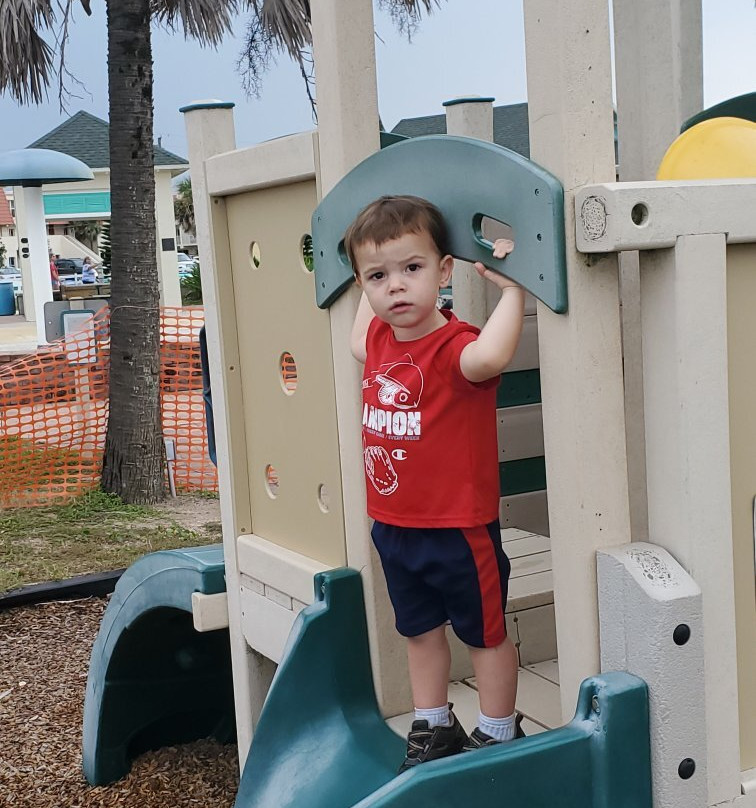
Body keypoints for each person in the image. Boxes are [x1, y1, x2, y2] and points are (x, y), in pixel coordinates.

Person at [346, 195, 525, 773]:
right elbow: (356, 336)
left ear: (444, 271)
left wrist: (513, 291)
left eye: (411, 269)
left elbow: (494, 355)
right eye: (378, 276)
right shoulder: (375, 339)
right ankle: (434, 722)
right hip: (394, 527)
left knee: (484, 634)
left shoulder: (456, 347)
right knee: (419, 632)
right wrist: (353, 274)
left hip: (457, 528)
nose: (395, 286)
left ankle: (499, 729)